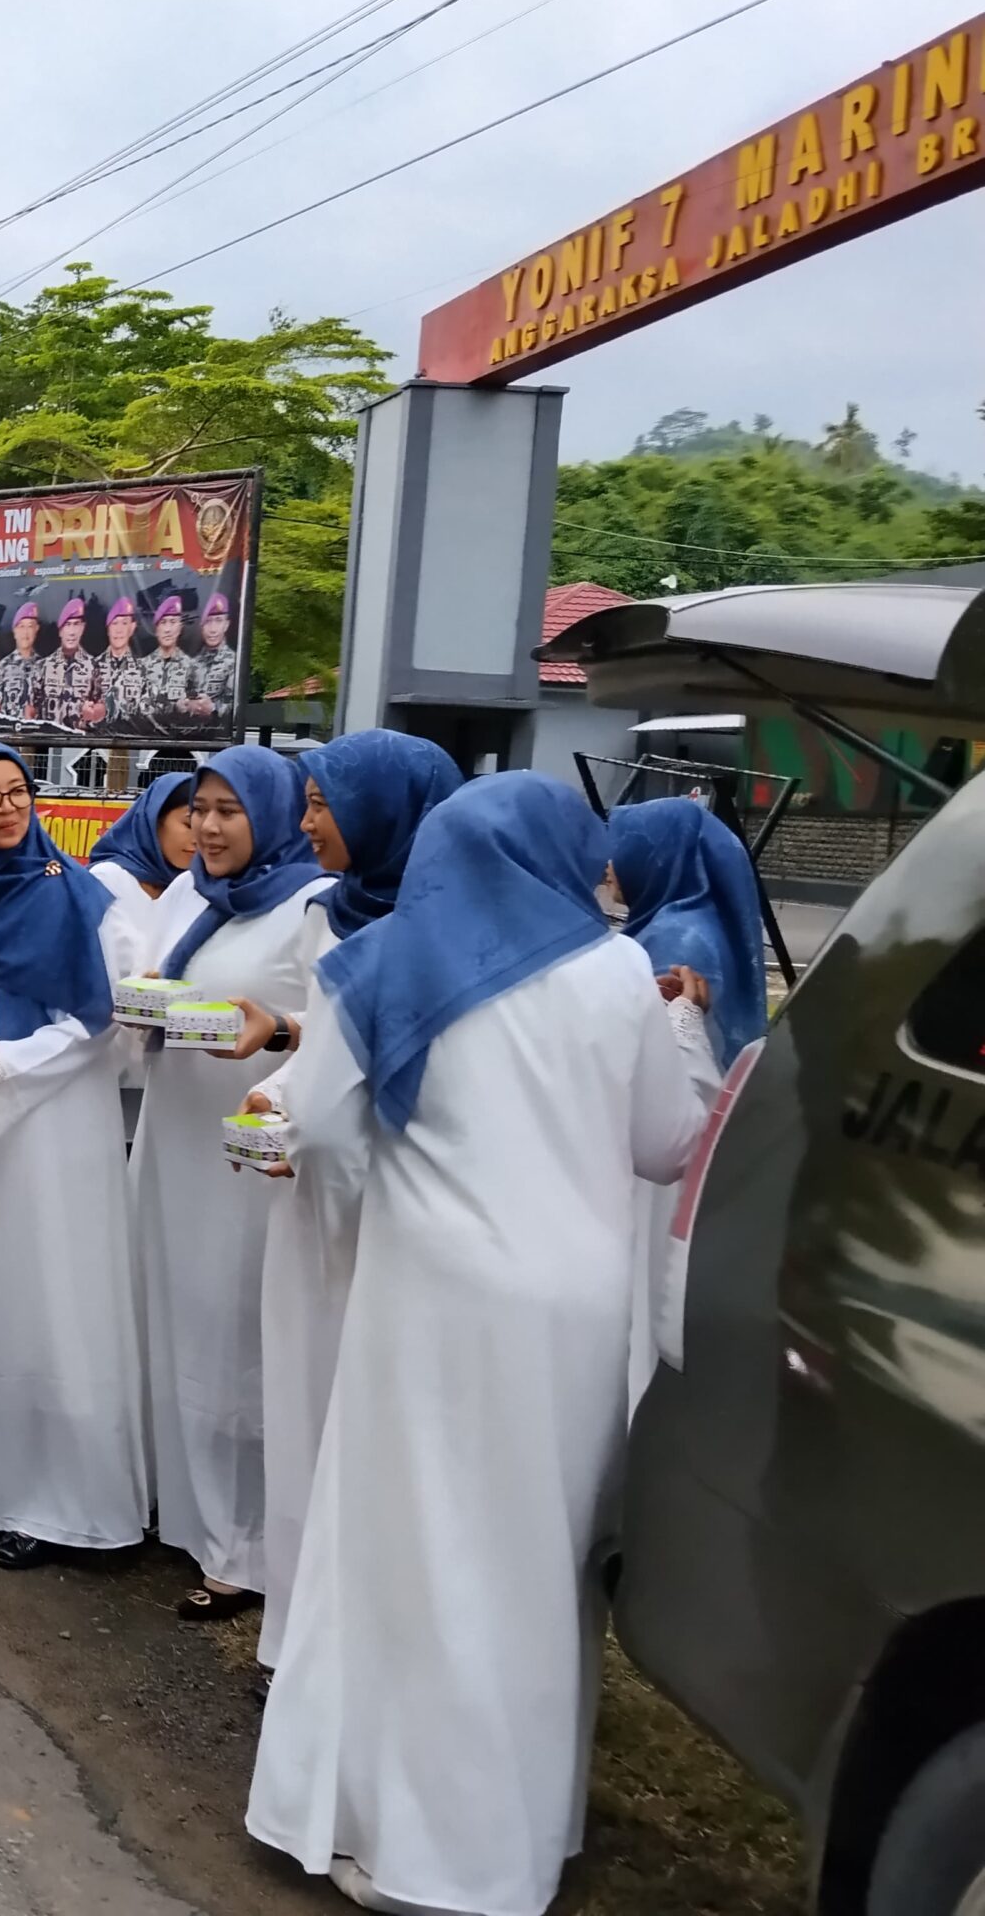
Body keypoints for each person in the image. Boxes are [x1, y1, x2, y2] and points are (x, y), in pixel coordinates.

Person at [246, 774, 717, 1916]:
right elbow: (667, 1144)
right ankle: (517, 1839)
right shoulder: (618, 971)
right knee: (537, 1563)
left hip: (433, 1304)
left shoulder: (380, 962)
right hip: (574, 1313)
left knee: (416, 1553)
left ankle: (404, 1842)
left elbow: (313, 1125)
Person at [231, 729, 462, 1676]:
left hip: (393, 1204)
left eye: (324, 805)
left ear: (385, 812)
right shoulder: (327, 914)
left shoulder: (450, 930)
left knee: (375, 1427)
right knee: (302, 1403)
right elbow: (325, 1042)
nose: (307, 822)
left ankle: (361, 1642)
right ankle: (298, 1636)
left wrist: (313, 1118)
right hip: (313, 1198)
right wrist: (279, 1090)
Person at [0, 743, 149, 1570]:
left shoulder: (80, 896)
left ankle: (71, 1507)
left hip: (59, 1126)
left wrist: (6, 1064)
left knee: (57, 1294)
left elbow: (101, 1017)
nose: (6, 808)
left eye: (17, 791)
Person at [125, 744, 333, 1620]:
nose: (207, 828)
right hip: (172, 1132)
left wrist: (277, 1029)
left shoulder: (313, 905)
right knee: (170, 1316)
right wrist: (143, 1000)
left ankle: (242, 1546)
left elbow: (339, 1023)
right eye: (199, 810)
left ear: (271, 816)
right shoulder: (190, 894)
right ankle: (178, 1506)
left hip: (242, 1157)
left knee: (233, 1340)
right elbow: (159, 983)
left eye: (229, 811)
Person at [609, 795, 765, 1411]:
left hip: (663, 1143)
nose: (609, 863)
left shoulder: (676, 937)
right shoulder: (671, 923)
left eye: (621, 848)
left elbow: (664, 1058)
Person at [86, 769, 204, 968]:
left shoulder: (195, 889)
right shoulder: (107, 881)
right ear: (154, 820)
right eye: (188, 825)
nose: (197, 839)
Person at [137, 596, 202, 733]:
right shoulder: (141, 666)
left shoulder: (192, 667)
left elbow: (198, 711)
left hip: (180, 739)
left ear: (180, 627)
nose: (167, 629)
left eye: (173, 622)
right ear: (156, 629)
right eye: (163, 622)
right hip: (145, 737)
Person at [41, 597, 101, 732]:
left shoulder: (93, 666)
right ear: (60, 631)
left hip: (81, 740)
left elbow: (100, 706)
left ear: (83, 628)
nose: (72, 632)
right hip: (49, 739)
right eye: (67, 625)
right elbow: (32, 707)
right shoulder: (44, 666)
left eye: (76, 624)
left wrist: (92, 713)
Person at [97, 598, 146, 731]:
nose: (119, 630)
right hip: (97, 739)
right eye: (114, 623)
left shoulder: (144, 669)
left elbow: (151, 712)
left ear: (132, 628)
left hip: (134, 739)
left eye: (124, 623)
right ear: (108, 629)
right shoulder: (92, 667)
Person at [193, 592, 241, 715]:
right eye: (207, 621)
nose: (213, 629)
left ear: (226, 625)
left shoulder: (235, 662)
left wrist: (213, 708)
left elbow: (237, 706)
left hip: (219, 726)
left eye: (218, 620)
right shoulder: (192, 662)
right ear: (201, 626)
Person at [3, 599, 46, 723]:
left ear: (36, 629)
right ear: (14, 631)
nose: (25, 633)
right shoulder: (1, 668)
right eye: (21, 626)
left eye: (30, 626)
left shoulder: (45, 667)